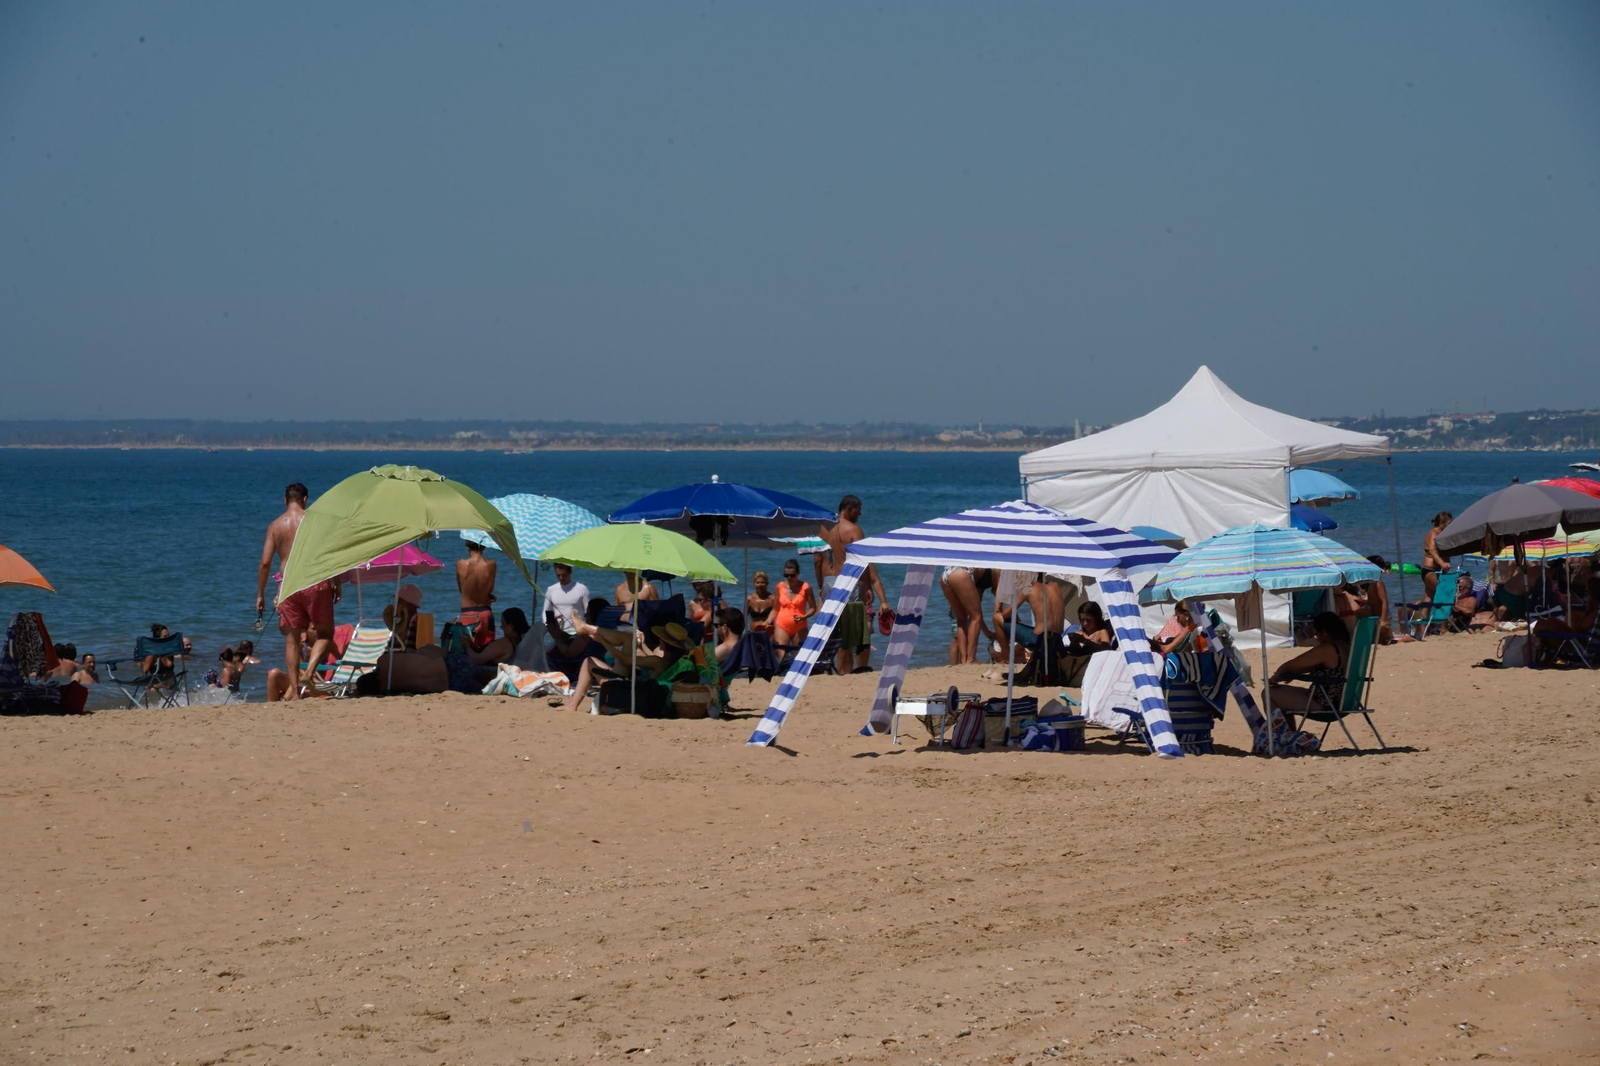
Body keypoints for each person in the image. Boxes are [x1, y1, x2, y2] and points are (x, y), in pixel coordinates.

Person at [256, 482, 334, 701]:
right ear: (306, 499)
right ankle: (308, 674)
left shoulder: (275, 526)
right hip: (314, 580)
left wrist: (260, 594)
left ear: (285, 500)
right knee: (325, 634)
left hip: (288, 584)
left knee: (291, 640)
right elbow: (329, 554)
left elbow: (265, 563)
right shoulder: (316, 522)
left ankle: (295, 692)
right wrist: (335, 581)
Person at [816, 495, 890, 673]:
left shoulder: (822, 529)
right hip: (847, 582)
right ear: (848, 508)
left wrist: (820, 586)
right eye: (858, 509)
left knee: (834, 631)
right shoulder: (855, 530)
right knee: (849, 633)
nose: (860, 514)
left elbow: (817, 560)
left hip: (827, 582)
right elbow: (860, 560)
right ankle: (847, 673)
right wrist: (867, 587)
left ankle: (835, 670)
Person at [559, 618, 688, 712]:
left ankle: (587, 628)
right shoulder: (671, 661)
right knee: (629, 641)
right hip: (642, 691)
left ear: (663, 642)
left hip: (630, 693)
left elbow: (624, 660)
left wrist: (603, 641)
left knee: (589, 661)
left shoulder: (658, 661)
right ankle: (586, 627)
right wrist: (642, 646)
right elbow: (653, 661)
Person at [1267, 611, 1351, 719]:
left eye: (1316, 635)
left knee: (1269, 694)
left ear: (1324, 633)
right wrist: (1291, 673)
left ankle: (1284, 734)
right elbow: (1306, 666)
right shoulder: (1346, 647)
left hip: (1325, 704)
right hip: (1344, 702)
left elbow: (1290, 665)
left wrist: (1277, 676)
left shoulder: (1328, 649)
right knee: (1282, 694)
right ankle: (1288, 734)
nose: (1317, 639)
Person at [939, 566, 995, 665]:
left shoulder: (986, 565)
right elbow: (978, 615)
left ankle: (964, 660)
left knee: (961, 619)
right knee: (975, 617)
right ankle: (971, 659)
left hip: (946, 574)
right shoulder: (997, 570)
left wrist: (987, 632)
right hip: (962, 574)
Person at [456, 540, 498, 650]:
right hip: (485, 613)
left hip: (468, 614)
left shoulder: (461, 564)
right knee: (487, 654)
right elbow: (490, 589)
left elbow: (462, 589)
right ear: (484, 547)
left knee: (467, 653)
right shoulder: (491, 565)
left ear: (467, 547)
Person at [773, 558, 817, 650]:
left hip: (800, 627)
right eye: (786, 575)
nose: (789, 578)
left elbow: (813, 608)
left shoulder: (806, 587)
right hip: (782, 625)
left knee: (798, 657)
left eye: (792, 575)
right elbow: (775, 609)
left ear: (798, 573)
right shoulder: (779, 586)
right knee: (782, 656)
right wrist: (767, 621)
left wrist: (804, 617)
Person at [544, 563, 590, 639]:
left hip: (578, 632)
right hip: (559, 633)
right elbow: (546, 612)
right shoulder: (551, 590)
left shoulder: (582, 589)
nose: (561, 578)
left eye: (564, 575)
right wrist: (550, 629)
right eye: (558, 575)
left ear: (570, 572)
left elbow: (588, 612)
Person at [1421, 511, 1453, 596]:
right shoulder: (1433, 534)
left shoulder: (1443, 534)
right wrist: (1442, 563)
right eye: (1449, 523)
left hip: (1439, 571)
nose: (1451, 525)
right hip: (1430, 571)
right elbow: (1432, 550)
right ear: (1442, 523)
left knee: (1429, 600)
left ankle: (1418, 609)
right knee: (1445, 593)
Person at [383, 584, 423, 649]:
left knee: (382, 659)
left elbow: (401, 643)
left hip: (402, 653)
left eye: (399, 600)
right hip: (404, 653)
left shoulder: (411, 620)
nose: (396, 603)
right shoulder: (418, 618)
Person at [745, 571, 776, 635]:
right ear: (754, 584)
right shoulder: (749, 599)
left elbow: (778, 618)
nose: (760, 585)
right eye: (757, 582)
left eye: (762, 582)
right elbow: (743, 618)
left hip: (768, 634)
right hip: (753, 633)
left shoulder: (772, 599)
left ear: (767, 584)